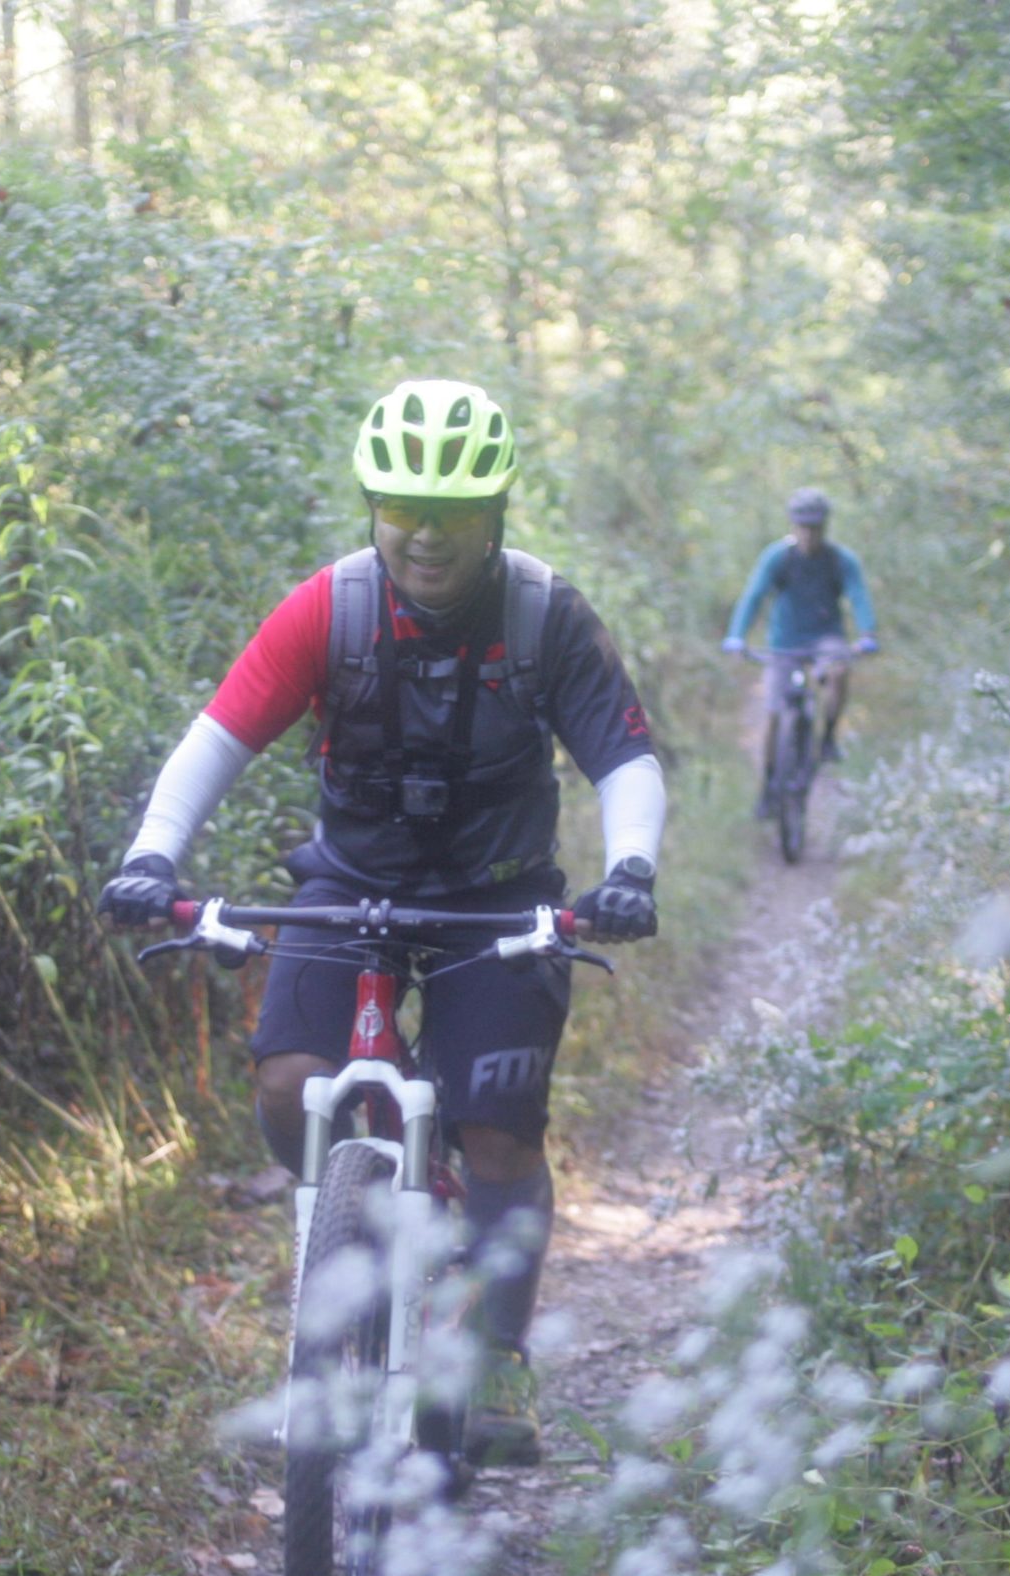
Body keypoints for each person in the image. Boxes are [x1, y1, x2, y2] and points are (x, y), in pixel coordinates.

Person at [96, 378, 668, 1465]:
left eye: (451, 513)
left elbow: (623, 758)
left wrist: (629, 869)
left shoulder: (547, 615)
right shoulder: (332, 607)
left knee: (497, 1133)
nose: (425, 535)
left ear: (493, 513)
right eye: (402, 508)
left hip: (500, 902)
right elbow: (216, 738)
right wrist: (150, 856)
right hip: (347, 889)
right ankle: (339, 1249)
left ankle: (496, 1354)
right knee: (286, 1082)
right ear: (374, 506)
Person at [720, 488, 878, 815]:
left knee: (838, 671)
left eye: (815, 527)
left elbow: (858, 595)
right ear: (793, 526)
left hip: (825, 638)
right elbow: (754, 596)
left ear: (825, 526)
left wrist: (867, 633)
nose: (809, 533)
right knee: (774, 716)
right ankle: (767, 788)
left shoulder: (840, 559)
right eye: (803, 526)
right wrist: (736, 635)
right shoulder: (777, 557)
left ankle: (829, 738)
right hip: (784, 641)